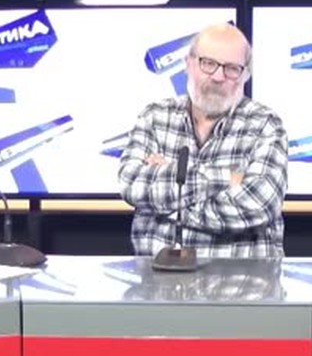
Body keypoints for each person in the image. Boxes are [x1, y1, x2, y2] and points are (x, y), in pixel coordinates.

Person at [118, 23, 288, 258]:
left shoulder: (265, 124)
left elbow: (258, 204)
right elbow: (131, 184)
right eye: (208, 63)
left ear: (245, 75)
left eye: (232, 69)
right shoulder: (154, 116)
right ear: (188, 64)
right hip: (157, 277)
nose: (218, 77)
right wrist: (229, 178)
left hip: (242, 279)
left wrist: (168, 200)